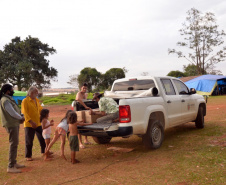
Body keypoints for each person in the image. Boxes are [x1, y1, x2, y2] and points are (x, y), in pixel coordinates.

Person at [0, 84, 25, 173]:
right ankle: (10, 166)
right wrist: (21, 118)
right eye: (11, 89)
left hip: (14, 123)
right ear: (7, 91)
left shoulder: (8, 99)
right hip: (11, 124)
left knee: (15, 143)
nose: (13, 91)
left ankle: (14, 163)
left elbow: (15, 111)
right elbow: (12, 113)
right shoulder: (5, 100)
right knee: (13, 144)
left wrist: (21, 115)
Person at [21, 86, 46, 161]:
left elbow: (40, 109)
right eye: (36, 92)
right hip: (29, 124)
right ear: (31, 93)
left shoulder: (36, 100)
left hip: (38, 123)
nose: (37, 93)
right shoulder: (25, 101)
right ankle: (28, 156)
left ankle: (44, 151)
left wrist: (45, 114)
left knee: (42, 138)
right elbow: (24, 113)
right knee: (29, 140)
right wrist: (31, 122)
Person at [75, 83, 91, 148]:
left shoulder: (85, 94)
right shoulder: (79, 93)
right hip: (79, 111)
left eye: (86, 88)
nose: (85, 89)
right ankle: (80, 143)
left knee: (85, 123)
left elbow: (85, 100)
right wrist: (85, 106)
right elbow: (78, 99)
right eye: (83, 88)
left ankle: (86, 140)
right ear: (81, 88)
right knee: (80, 125)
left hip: (84, 110)